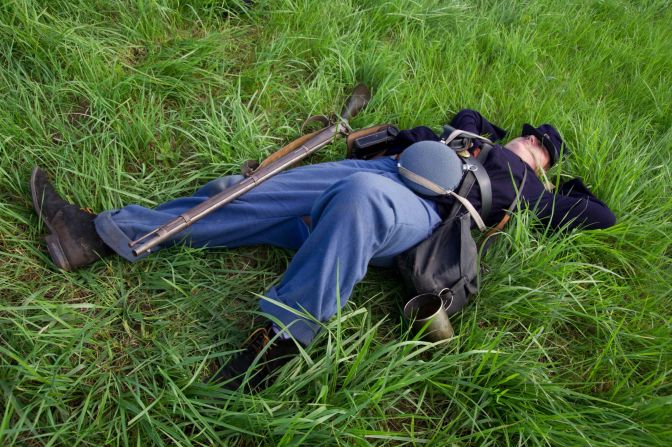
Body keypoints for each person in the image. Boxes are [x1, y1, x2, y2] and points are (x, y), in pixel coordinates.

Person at [30, 109, 616, 391]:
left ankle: (281, 339)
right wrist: (482, 135)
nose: (533, 144)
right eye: (532, 134)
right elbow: (458, 116)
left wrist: (560, 182)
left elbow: (599, 216)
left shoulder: (533, 189)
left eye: (542, 148)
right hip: (382, 170)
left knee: (360, 198)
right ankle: (98, 235)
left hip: (424, 213)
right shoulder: (471, 133)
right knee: (250, 189)